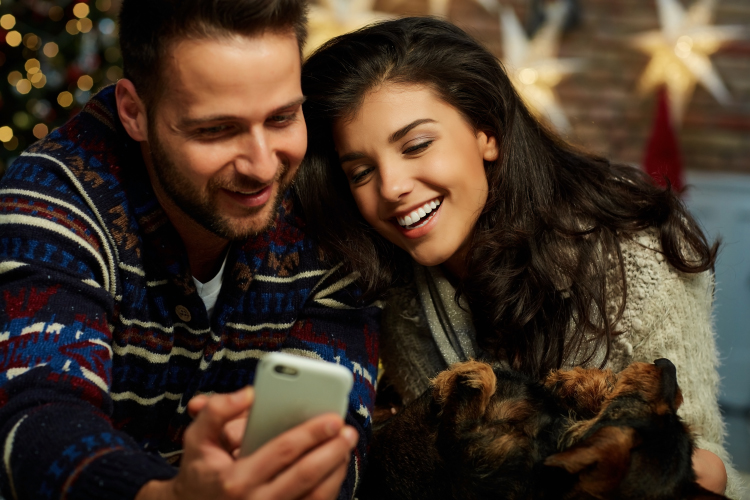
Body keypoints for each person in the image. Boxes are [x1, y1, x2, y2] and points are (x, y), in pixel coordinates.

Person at [296, 16, 740, 497]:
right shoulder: (396, 284)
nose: (392, 187)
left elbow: (695, 464)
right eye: (361, 172)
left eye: (417, 145)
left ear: (486, 132)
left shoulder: (635, 247)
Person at [0, 1, 380, 499]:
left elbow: (341, 427)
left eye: (283, 117)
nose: (263, 167)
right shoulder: (52, 202)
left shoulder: (327, 209)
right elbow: (36, 416)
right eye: (216, 129)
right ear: (134, 112)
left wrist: (315, 474)